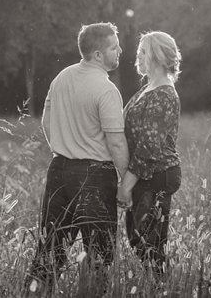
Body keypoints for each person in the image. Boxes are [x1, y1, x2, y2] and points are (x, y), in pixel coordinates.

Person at [26, 22, 129, 294]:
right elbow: (116, 142)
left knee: (49, 251)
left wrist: (64, 148)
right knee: (98, 255)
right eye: (113, 46)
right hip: (95, 176)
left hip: (59, 170)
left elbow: (46, 122)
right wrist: (126, 182)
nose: (120, 50)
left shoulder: (62, 77)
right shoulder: (106, 90)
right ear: (97, 54)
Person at [116, 31, 182, 275]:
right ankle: (158, 284)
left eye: (143, 52)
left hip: (157, 174)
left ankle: (161, 287)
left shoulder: (164, 94)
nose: (138, 57)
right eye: (139, 51)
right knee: (138, 240)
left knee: (149, 247)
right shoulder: (148, 89)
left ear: (157, 56)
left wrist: (125, 187)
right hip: (143, 174)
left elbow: (148, 148)